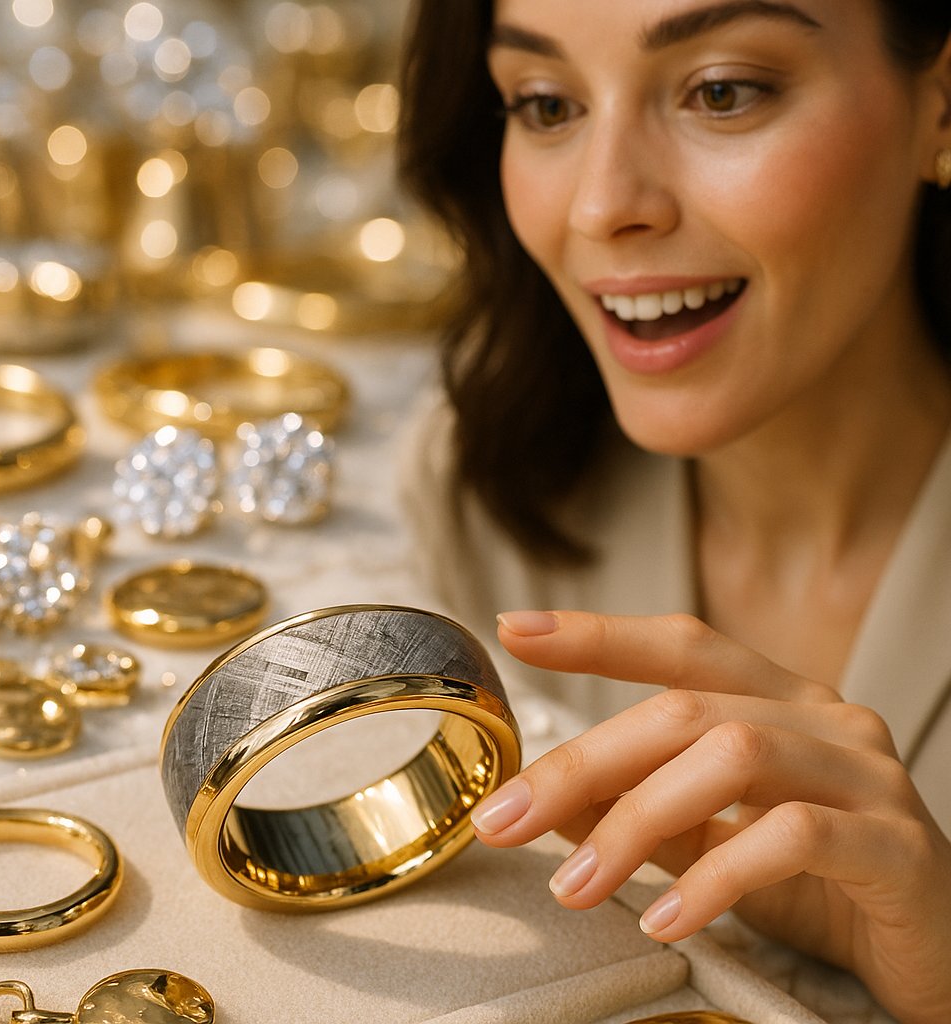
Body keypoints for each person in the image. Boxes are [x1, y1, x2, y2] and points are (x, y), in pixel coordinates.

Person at [396, 3, 951, 1022]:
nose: (605, 204)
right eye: (547, 103)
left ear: (939, 101)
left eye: (721, 92)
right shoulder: (480, 487)